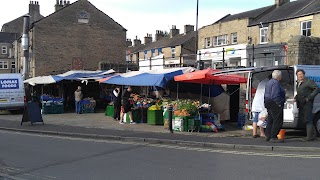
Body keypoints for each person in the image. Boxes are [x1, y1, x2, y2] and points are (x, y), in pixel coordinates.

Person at [295, 69, 319, 141]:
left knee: (308, 119)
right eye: (299, 74)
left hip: (307, 103)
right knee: (305, 119)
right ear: (297, 76)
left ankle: (309, 137)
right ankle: (313, 135)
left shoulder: (308, 81)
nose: (300, 76)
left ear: (304, 75)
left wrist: (309, 98)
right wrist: (296, 97)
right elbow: (300, 93)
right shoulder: (298, 83)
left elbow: (317, 89)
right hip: (301, 104)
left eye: (301, 74)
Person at [264, 70, 286, 143]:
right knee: (277, 120)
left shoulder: (269, 82)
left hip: (267, 102)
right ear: (279, 76)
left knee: (270, 119)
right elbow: (275, 95)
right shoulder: (276, 83)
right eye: (281, 76)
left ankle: (268, 135)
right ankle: (273, 136)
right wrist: (279, 103)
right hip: (274, 103)